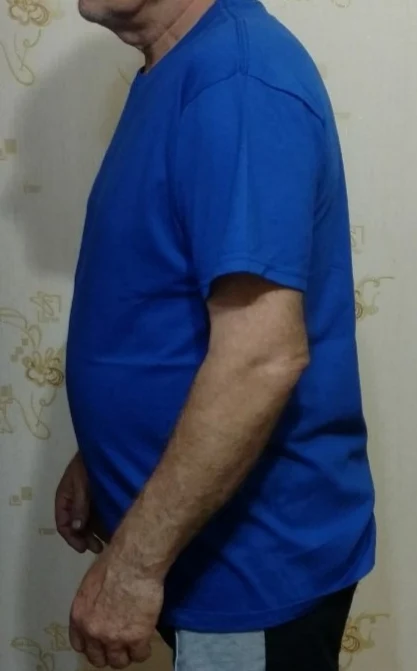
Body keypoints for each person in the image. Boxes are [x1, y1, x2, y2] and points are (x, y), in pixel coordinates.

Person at [55, 0, 376, 668]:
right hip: (208, 550)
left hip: (245, 570)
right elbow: (167, 301)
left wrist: (132, 567)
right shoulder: (176, 70)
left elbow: (261, 358)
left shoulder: (235, 79)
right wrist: (102, 452)